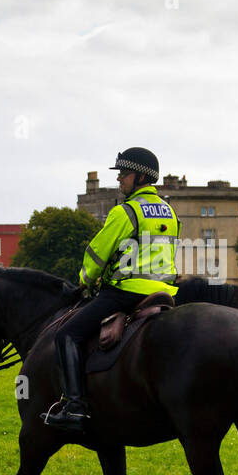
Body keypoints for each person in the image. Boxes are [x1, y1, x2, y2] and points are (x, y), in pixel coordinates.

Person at [42, 147, 180, 432]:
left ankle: (75, 406)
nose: (119, 180)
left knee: (67, 334)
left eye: (124, 174)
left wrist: (86, 278)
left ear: (141, 176)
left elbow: (97, 254)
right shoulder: (169, 211)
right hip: (165, 293)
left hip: (126, 291)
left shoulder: (125, 212)